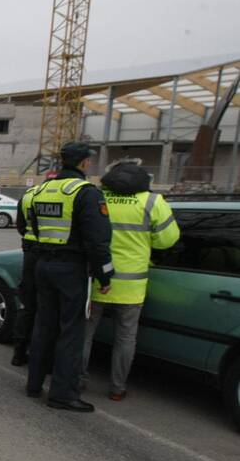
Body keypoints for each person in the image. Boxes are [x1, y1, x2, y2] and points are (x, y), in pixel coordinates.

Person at [26, 142, 114, 412]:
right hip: (71, 270)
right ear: (84, 163)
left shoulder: (42, 189)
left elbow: (32, 226)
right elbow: (98, 241)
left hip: (44, 265)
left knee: (43, 327)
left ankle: (34, 384)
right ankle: (63, 394)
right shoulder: (85, 193)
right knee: (71, 332)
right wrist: (105, 276)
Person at [82, 162, 179, 401]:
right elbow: (168, 240)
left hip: (96, 280)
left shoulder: (100, 197)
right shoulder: (152, 202)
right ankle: (117, 389)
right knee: (125, 338)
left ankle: (76, 380)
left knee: (84, 333)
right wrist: (145, 243)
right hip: (132, 285)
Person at [11, 179, 46, 366]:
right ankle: (42, 357)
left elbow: (21, 227)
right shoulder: (67, 195)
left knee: (27, 306)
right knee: (48, 309)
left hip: (30, 253)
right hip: (54, 255)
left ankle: (19, 352)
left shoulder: (29, 195)